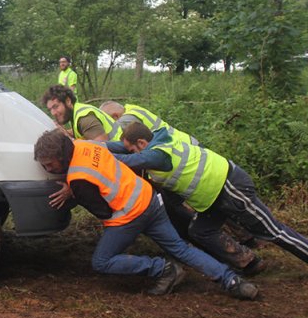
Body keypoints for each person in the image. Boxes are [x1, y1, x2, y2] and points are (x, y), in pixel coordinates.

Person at [34, 129, 258, 300]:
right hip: (150, 200)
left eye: (49, 165)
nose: (49, 170)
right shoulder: (85, 145)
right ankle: (232, 281)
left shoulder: (78, 178)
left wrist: (72, 193)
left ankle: (163, 269)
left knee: (102, 261)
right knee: (180, 248)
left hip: (129, 216)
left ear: (62, 156)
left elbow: (103, 211)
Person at [114, 122, 308, 278]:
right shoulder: (162, 141)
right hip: (212, 199)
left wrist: (95, 155)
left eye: (133, 149)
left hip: (230, 187)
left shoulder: (158, 154)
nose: (133, 153)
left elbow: (131, 162)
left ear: (142, 144)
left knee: (273, 231)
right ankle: (248, 262)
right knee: (201, 231)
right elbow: (122, 151)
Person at [100, 101, 261, 269]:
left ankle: (243, 247)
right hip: (185, 158)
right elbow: (127, 147)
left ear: (115, 116)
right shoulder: (138, 117)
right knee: (203, 213)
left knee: (214, 207)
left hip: (187, 166)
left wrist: (98, 155)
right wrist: (99, 146)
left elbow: (134, 157)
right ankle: (244, 245)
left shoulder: (130, 125)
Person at [42, 85, 115, 141]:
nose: (53, 113)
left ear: (68, 101)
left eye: (55, 107)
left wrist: (69, 139)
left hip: (119, 155)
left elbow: (101, 149)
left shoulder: (85, 118)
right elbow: (81, 132)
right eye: (50, 110)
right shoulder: (73, 113)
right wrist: (64, 132)